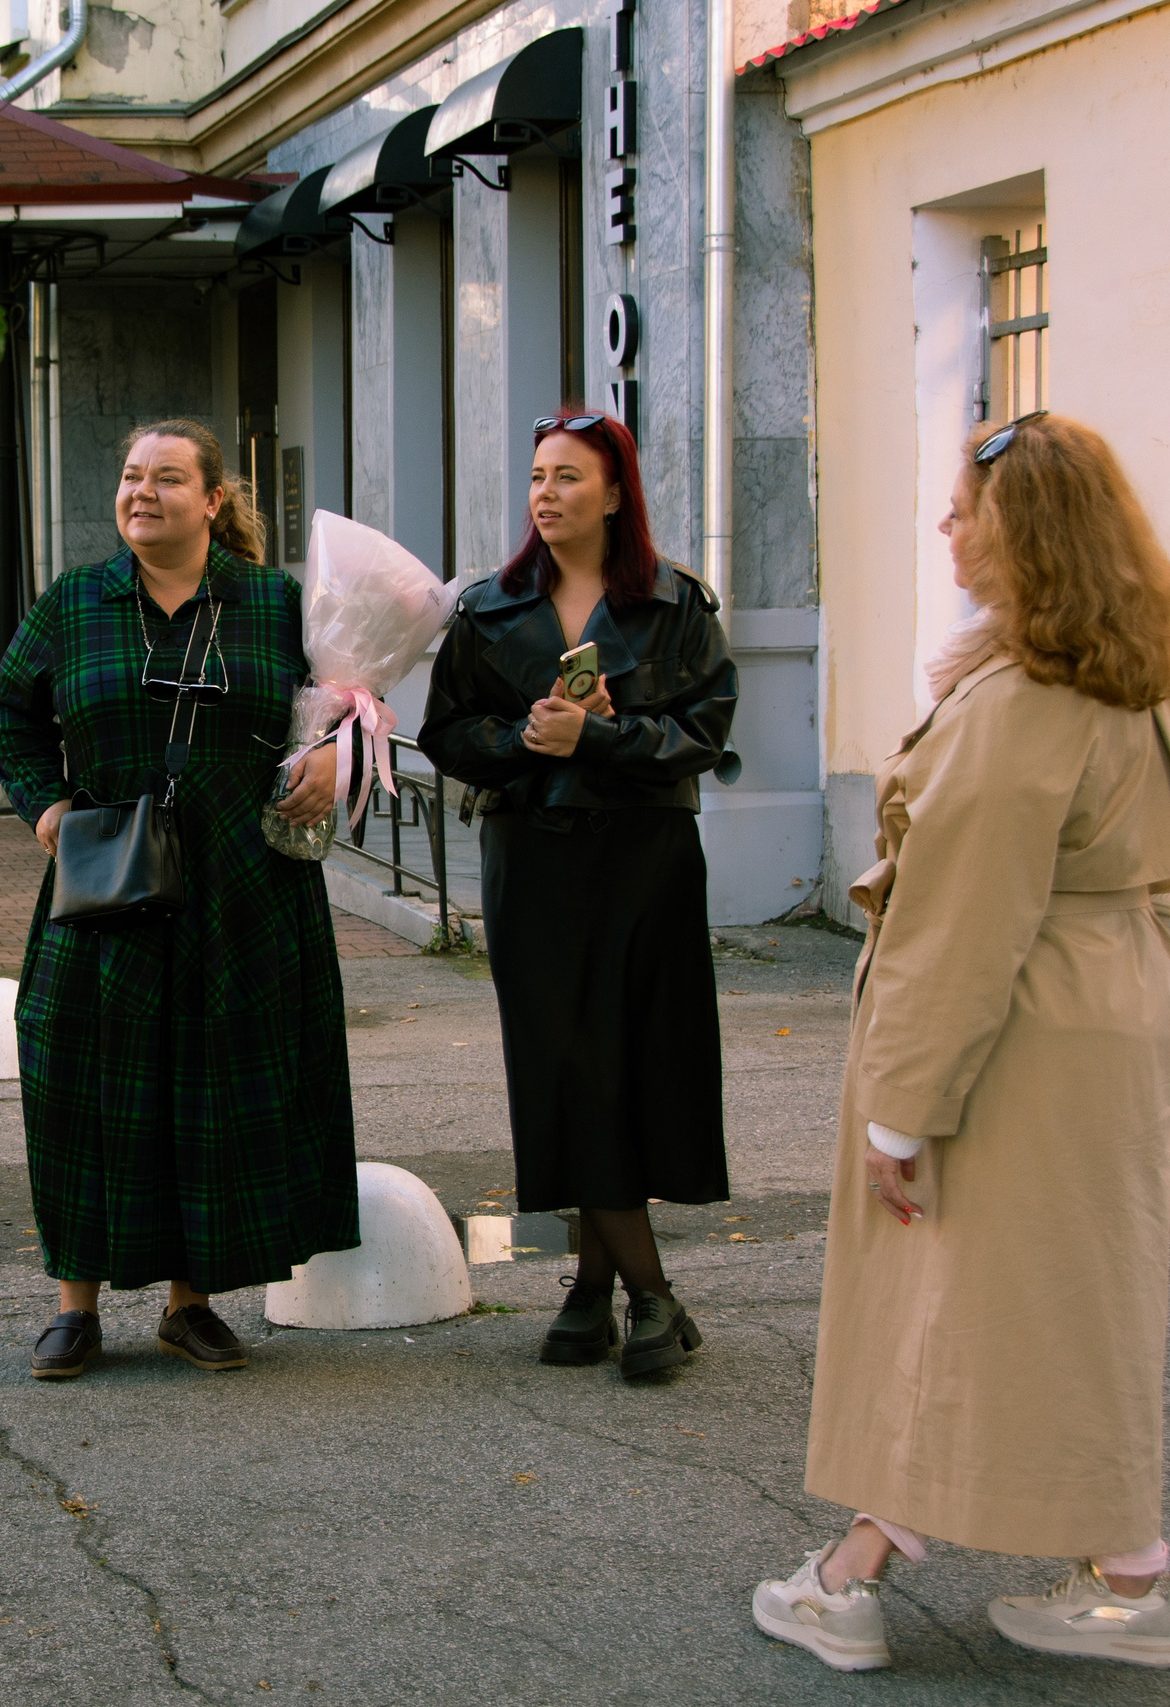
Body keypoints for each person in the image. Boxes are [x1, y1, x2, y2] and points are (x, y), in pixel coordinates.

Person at [750, 414, 1170, 1673]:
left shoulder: (1018, 702)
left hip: (1017, 1032)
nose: (945, 525)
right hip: (1097, 1013)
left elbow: (958, 930)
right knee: (1068, 1298)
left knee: (947, 1294)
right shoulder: (1125, 670)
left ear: (1021, 532)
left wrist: (899, 1111)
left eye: (965, 508)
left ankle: (851, 1575)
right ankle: (1129, 1577)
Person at [0, 418, 348, 1381]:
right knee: (80, 1083)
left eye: (168, 477)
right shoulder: (75, 601)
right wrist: (46, 803)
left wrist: (332, 758)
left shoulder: (276, 602)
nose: (142, 491)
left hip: (242, 883)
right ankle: (75, 1306)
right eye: (131, 474)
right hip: (109, 874)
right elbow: (9, 709)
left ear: (213, 501)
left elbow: (339, 705)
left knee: (213, 1083)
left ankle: (191, 1304)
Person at [417, 412, 737, 1380]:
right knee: (567, 1065)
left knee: (634, 1064)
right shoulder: (488, 609)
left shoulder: (675, 603)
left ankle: (596, 1291)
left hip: (645, 860)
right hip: (536, 860)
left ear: (613, 493)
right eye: (536, 477)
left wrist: (599, 736)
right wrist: (527, 737)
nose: (545, 494)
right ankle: (650, 1293)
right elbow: (444, 734)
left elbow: (705, 732)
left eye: (566, 477)